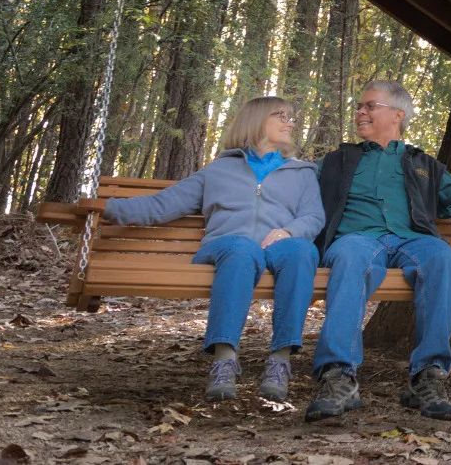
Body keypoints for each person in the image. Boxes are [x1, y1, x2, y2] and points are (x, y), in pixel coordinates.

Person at [304, 79, 451, 424]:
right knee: (349, 258)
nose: (360, 112)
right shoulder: (336, 161)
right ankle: (339, 377)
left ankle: (429, 376)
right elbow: (295, 192)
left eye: (369, 106)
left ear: (397, 115)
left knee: (441, 257)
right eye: (359, 106)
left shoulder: (423, 164)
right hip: (358, 239)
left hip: (412, 240)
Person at [92, 97, 323, 404]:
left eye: (291, 117)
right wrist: (105, 208)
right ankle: (224, 360)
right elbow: (162, 206)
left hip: (279, 247)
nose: (289, 122)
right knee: (242, 250)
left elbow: (313, 217)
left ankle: (280, 362)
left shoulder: (302, 172)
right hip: (227, 245)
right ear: (255, 121)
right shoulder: (218, 171)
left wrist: (289, 231)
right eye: (280, 116)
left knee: (301, 252)